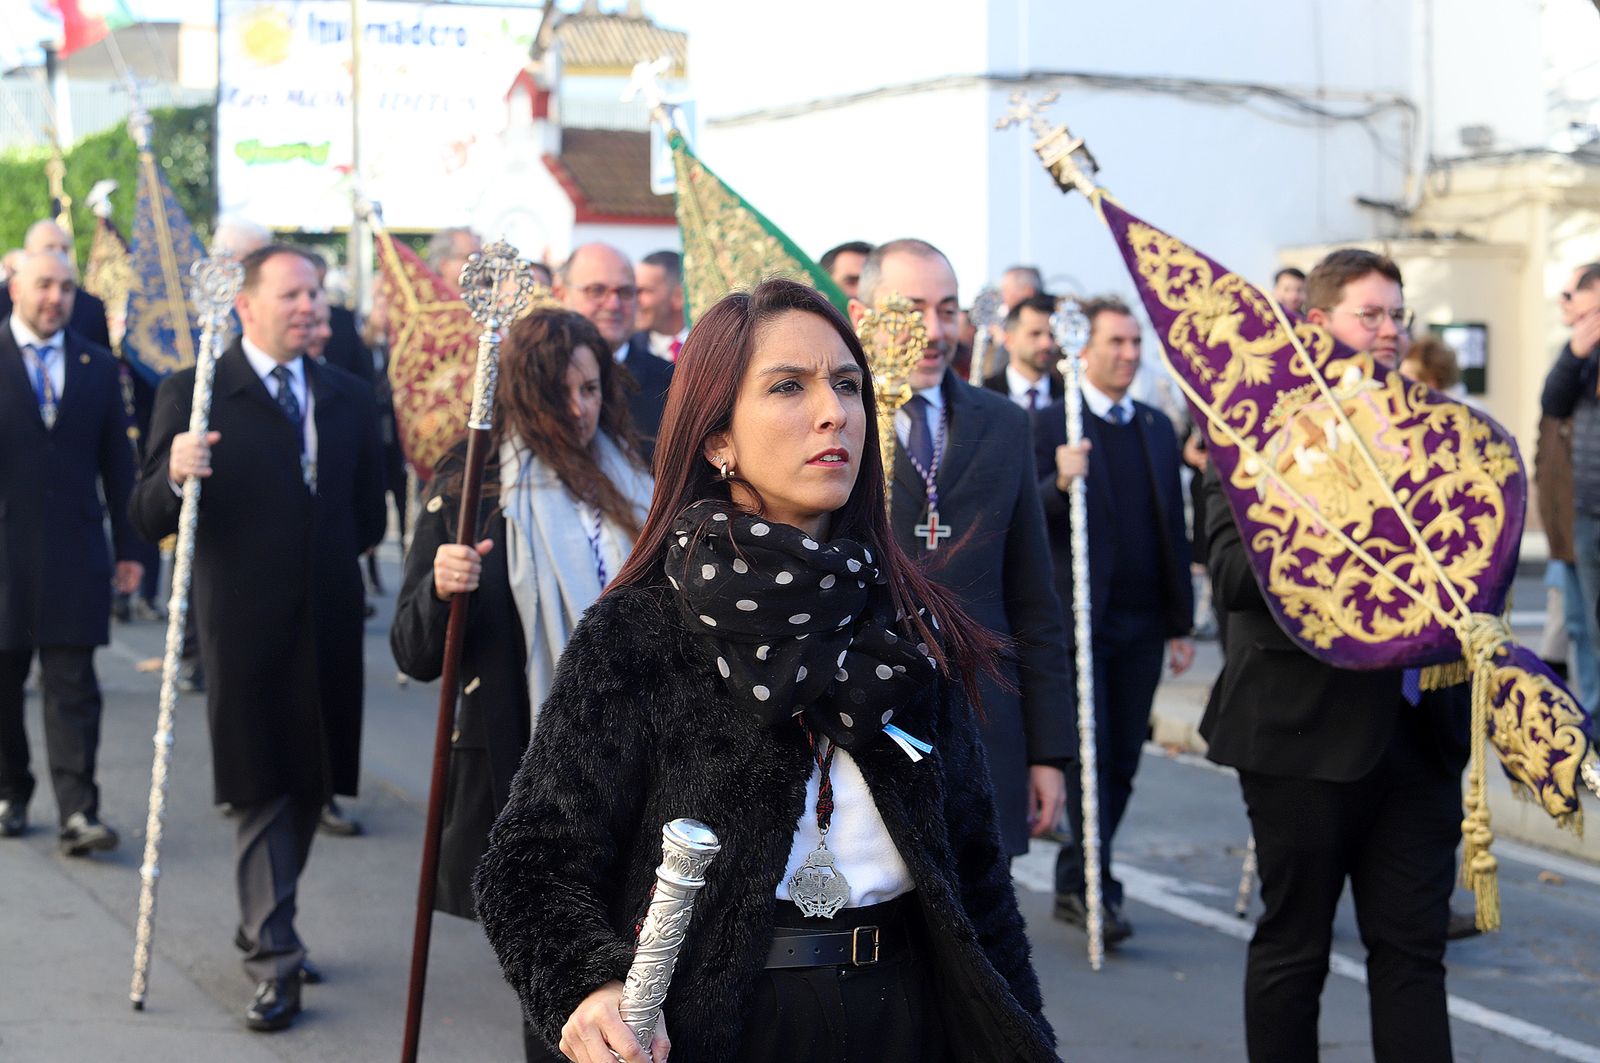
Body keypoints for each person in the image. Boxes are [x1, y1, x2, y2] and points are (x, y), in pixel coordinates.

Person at [474, 278, 1056, 1063]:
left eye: (847, 385)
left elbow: (978, 881)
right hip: (718, 1029)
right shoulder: (643, 630)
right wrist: (589, 985)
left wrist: (1024, 1037)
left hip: (907, 1018)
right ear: (718, 438)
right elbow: (530, 864)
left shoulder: (907, 621)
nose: (833, 412)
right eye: (789, 385)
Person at [1201, 248, 1469, 1062]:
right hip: (1300, 736)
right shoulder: (1254, 426)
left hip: (1421, 734)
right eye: (1371, 315)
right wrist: (1337, 506)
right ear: (1318, 325)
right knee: (1295, 950)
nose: (1389, 331)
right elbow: (1232, 575)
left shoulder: (1436, 427)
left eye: (1398, 315)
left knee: (1415, 956)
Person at [131, 244, 387, 1032]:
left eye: (316, 293)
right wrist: (174, 472)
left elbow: (370, 513)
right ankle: (273, 956)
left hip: (329, 618)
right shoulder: (198, 392)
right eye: (292, 294)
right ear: (246, 305)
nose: (311, 306)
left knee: (311, 783)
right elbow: (147, 515)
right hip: (242, 624)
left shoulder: (345, 392)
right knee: (260, 787)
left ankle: (265, 919)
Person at [392, 308, 652, 1061]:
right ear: (523, 394)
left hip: (639, 760)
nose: (580, 408)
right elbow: (412, 652)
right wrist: (442, 591)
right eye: (561, 392)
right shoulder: (472, 488)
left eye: (592, 388)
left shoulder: (634, 474)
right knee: (565, 977)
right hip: (535, 774)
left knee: (643, 965)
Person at [850, 239, 1072, 860]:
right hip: (866, 726)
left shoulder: (1002, 423)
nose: (932, 330)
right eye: (911, 308)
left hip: (983, 726)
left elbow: (1032, 600)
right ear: (863, 315)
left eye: (947, 309)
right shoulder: (835, 421)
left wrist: (1048, 753)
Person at [1036, 295, 1194, 945]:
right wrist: (1059, 482)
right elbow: (1025, 517)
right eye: (1116, 343)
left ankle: (1083, 873)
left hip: (1143, 621)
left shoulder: (1157, 427)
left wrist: (1181, 620)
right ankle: (1090, 884)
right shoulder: (1051, 424)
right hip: (1081, 620)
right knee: (1090, 755)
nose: (1128, 355)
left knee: (1125, 754)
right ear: (1084, 350)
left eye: (1135, 344)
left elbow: (1171, 530)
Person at [0, 250, 140, 850]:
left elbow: (119, 464)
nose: (54, 297)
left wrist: (133, 547)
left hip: (75, 552)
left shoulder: (97, 366)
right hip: (3, 555)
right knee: (3, 686)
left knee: (74, 686)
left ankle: (79, 811)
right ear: (15, 288)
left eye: (64, 286)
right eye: (42, 285)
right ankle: (10, 791)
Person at [1540, 263, 1600, 705]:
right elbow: (1552, 403)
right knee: (1582, 628)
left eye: (1571, 295)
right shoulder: (1581, 354)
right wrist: (1575, 352)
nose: (1566, 305)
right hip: (1580, 512)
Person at [556, 243, 672, 457]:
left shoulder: (671, 384)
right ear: (562, 294)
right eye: (597, 291)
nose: (613, 304)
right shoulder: (538, 376)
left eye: (625, 292)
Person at [0, 220, 112, 349]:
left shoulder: (91, 307)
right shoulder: (2, 300)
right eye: (50, 248)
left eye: (64, 249)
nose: (58, 254)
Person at [983, 292, 1065, 412]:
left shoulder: (1067, 397)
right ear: (1009, 340)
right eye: (1035, 334)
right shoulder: (985, 393)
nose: (1046, 343)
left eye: (1052, 335)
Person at [634, 249, 687, 361]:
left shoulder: (714, 343)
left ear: (679, 296)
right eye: (632, 291)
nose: (634, 300)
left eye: (643, 291)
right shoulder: (628, 352)